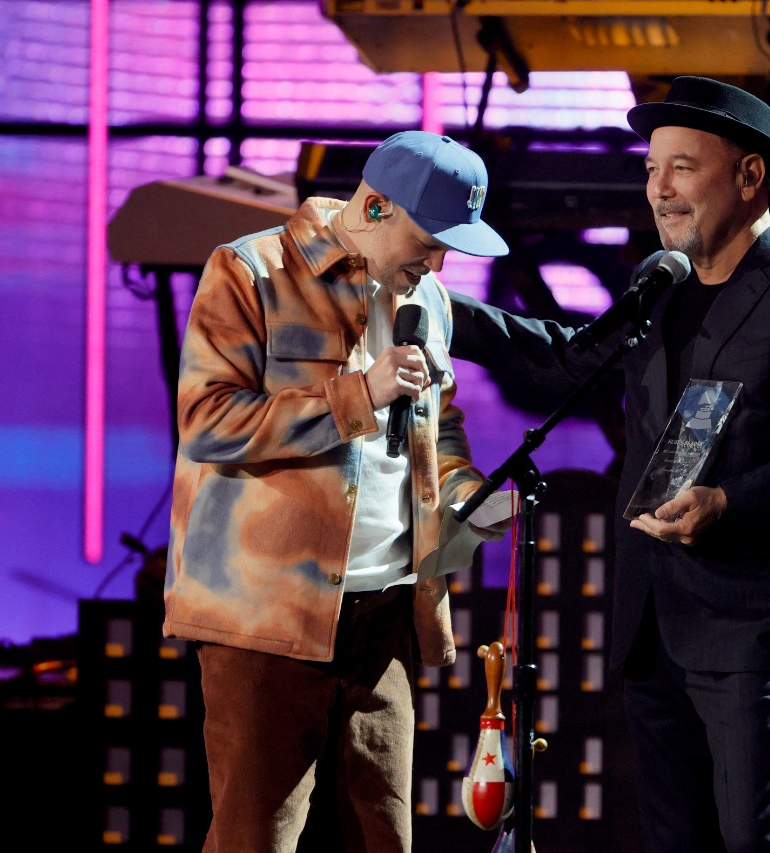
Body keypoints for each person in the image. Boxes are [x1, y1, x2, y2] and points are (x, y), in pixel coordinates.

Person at [448, 76, 770, 852]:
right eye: (652, 169)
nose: (660, 189)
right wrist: (442, 313)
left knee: (756, 842)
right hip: (656, 617)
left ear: (750, 176)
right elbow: (569, 360)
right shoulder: (660, 281)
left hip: (757, 620)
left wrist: (731, 500)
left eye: (683, 168)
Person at [164, 130, 510, 853]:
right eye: (430, 242)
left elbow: (439, 423)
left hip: (385, 614)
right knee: (256, 838)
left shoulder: (430, 299)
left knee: (383, 837)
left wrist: (465, 492)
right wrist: (358, 394)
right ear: (376, 207)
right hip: (267, 619)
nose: (438, 264)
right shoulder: (253, 271)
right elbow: (207, 422)